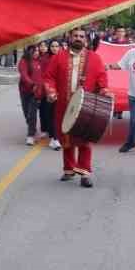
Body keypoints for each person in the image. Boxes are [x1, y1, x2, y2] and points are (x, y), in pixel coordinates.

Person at [44, 27, 110, 187]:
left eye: (81, 36)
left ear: (86, 39)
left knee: (84, 139)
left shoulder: (94, 58)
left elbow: (102, 78)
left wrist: (104, 90)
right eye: (75, 36)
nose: (78, 38)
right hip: (64, 105)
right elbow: (49, 77)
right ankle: (68, 169)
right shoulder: (59, 57)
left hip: (86, 105)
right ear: (70, 37)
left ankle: (84, 172)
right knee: (66, 138)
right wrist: (51, 91)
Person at [18, 45, 44, 144]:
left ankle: (30, 135)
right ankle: (32, 129)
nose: (37, 52)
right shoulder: (24, 61)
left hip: (36, 92)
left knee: (32, 113)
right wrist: (31, 83)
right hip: (25, 91)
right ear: (29, 52)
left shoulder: (40, 61)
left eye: (38, 51)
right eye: (34, 51)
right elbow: (24, 75)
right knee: (26, 114)